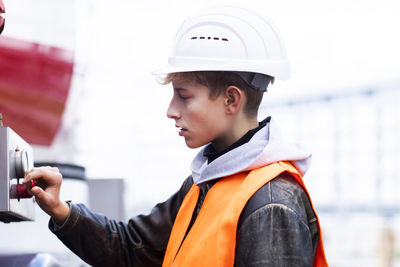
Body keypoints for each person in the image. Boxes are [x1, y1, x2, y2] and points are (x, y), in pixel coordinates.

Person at [23, 6, 328, 267]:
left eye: (184, 96)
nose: (171, 110)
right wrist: (61, 210)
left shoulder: (271, 204)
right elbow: (133, 249)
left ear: (231, 100)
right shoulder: (206, 183)